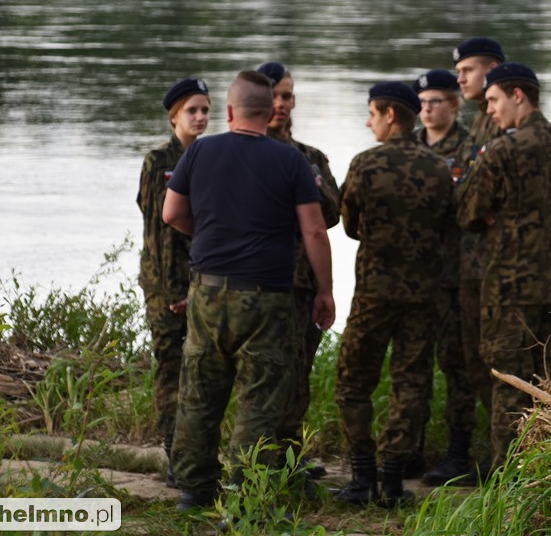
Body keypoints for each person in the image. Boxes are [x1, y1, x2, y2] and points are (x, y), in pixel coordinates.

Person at [162, 69, 335, 511]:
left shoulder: (200, 151)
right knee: (260, 398)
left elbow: (171, 214)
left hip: (208, 292)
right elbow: (314, 231)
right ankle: (245, 494)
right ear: (269, 110)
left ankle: (195, 490)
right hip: (268, 296)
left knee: (201, 389)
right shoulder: (291, 161)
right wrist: (325, 291)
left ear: (230, 110)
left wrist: (210, 236)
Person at [335, 81, 455, 506]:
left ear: (390, 115)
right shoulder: (439, 167)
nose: (368, 122)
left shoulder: (366, 164)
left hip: (373, 292)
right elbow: (448, 226)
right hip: (424, 293)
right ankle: (391, 480)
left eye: (372, 113)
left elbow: (348, 223)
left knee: (353, 381)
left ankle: (361, 475)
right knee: (411, 382)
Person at [455, 62, 551, 472]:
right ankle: (550, 475)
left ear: (517, 96)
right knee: (550, 383)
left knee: (507, 382)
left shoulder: (504, 149)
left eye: (493, 99)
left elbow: (468, 211)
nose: (488, 109)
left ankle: (506, 483)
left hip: (508, 287)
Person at [257, 61, 341, 476]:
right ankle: (259, 461)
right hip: (254, 283)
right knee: (261, 375)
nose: (280, 103)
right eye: (272, 95)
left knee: (299, 373)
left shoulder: (310, 158)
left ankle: (291, 458)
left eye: (286, 95)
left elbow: (332, 215)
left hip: (301, 283)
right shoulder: (239, 151)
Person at [136, 76, 210, 487]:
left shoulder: (210, 156)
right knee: (170, 369)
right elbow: (158, 233)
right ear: (173, 117)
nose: (199, 118)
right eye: (191, 111)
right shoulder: (158, 162)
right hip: (167, 285)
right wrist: (173, 293)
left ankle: (196, 453)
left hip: (204, 283)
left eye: (204, 110)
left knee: (201, 372)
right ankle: (172, 456)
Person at [412, 70, 476, 485]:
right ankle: (408, 450)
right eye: (423, 101)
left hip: (455, 275)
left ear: (455, 104)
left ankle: (458, 452)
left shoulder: (471, 147)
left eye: (436, 100)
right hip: (413, 276)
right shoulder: (409, 146)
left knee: (457, 365)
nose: (428, 108)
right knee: (412, 363)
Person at [451, 36, 505, 479]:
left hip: (494, 267)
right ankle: (491, 456)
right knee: (477, 361)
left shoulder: (502, 124)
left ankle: (504, 460)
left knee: (497, 362)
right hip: (472, 264)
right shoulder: (480, 124)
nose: (460, 78)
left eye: (467, 70)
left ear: (491, 70)